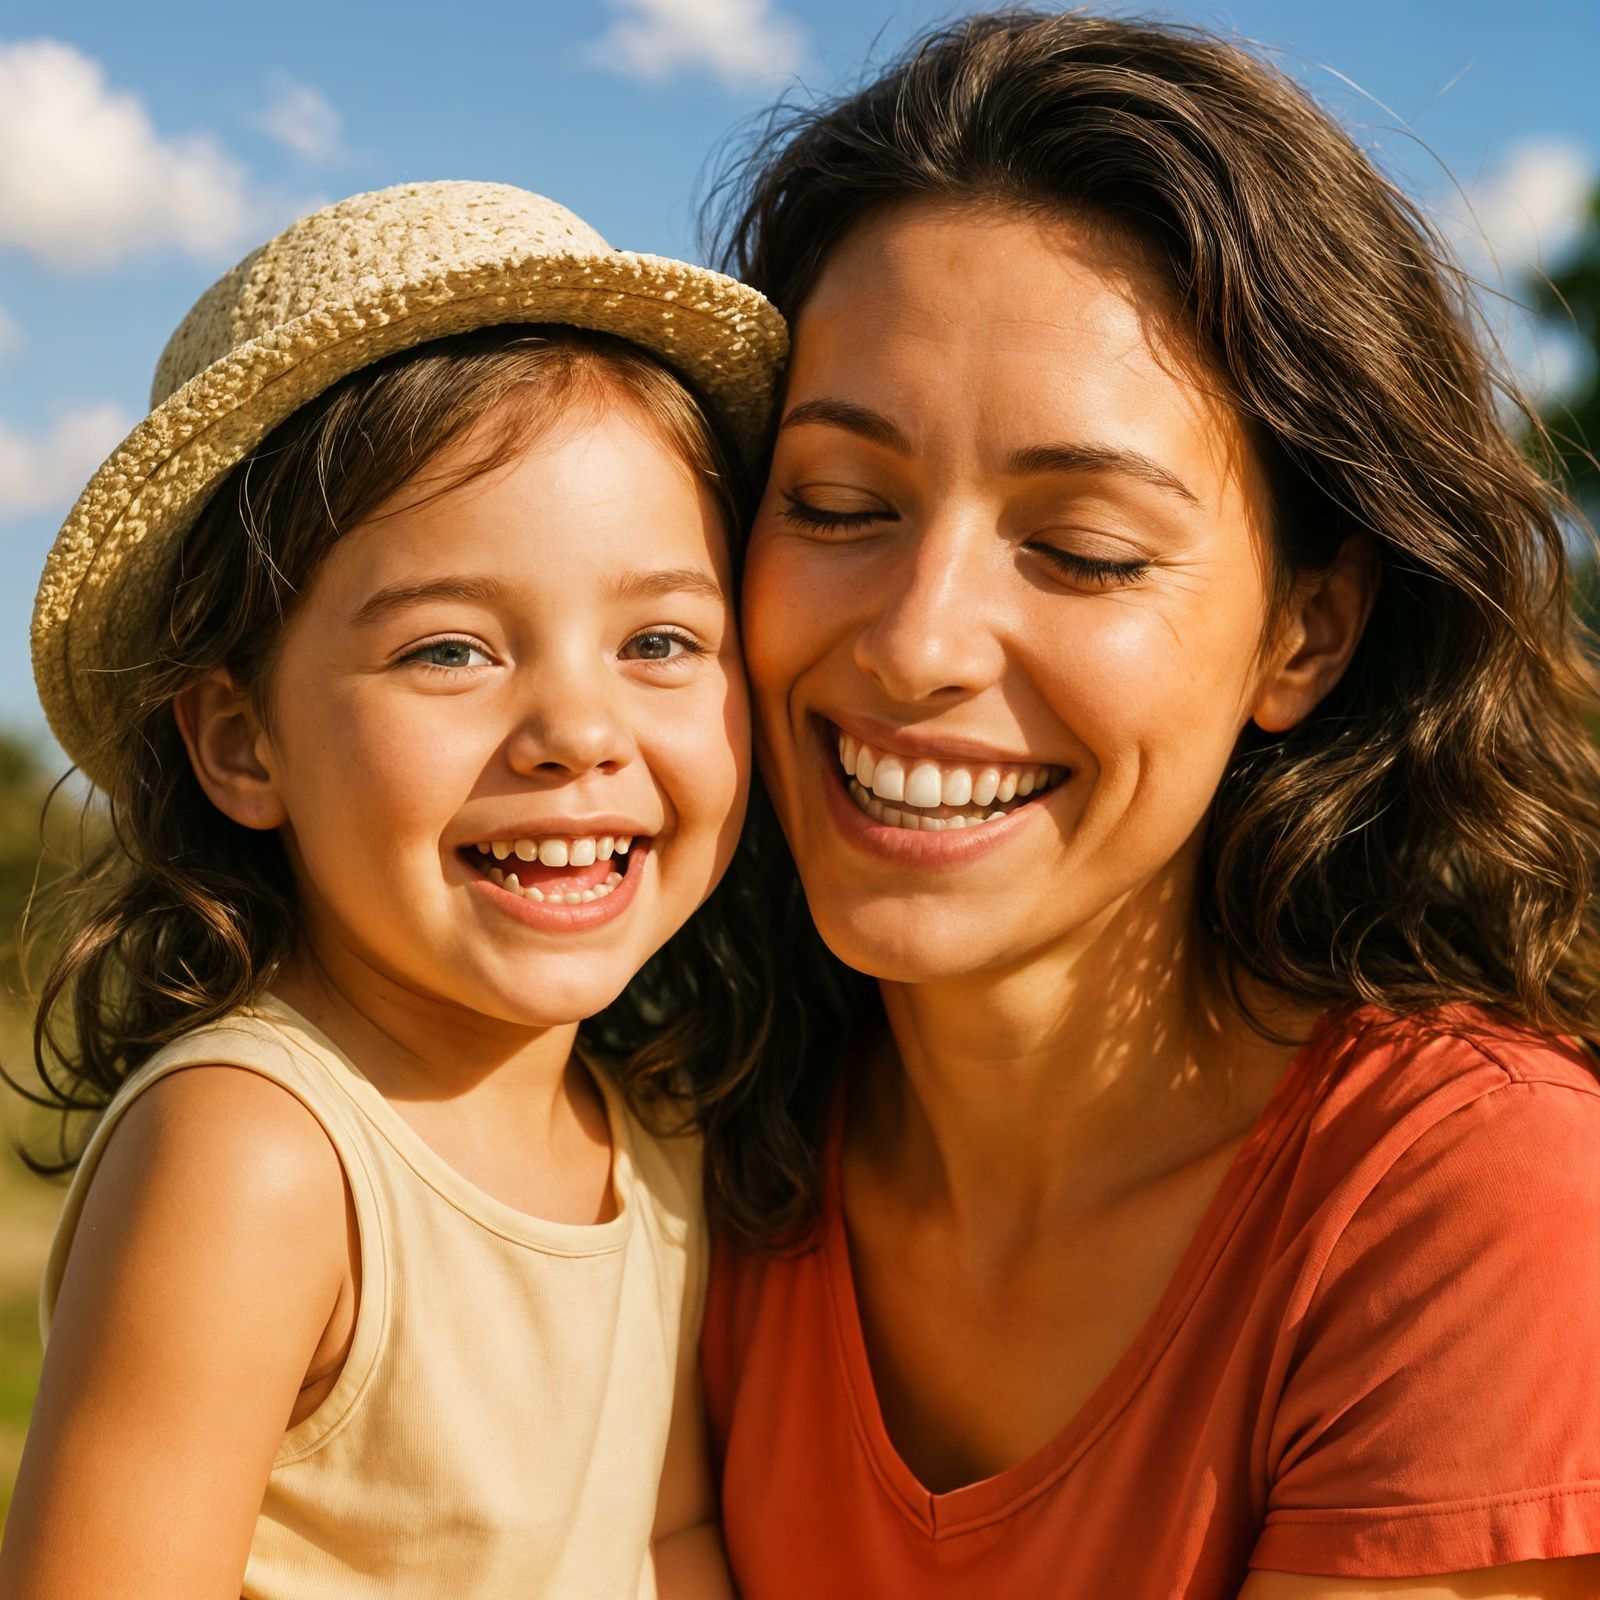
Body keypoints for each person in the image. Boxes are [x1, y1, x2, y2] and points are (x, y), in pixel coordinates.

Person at [696, 13, 1600, 1598]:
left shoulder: (1475, 1202)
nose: (916, 643)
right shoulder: (677, 1143)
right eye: (841, 505)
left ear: (1305, 633)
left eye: (1086, 548)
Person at [0, 180, 785, 1599]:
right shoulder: (259, 1158)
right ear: (245, 740)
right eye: (449, 653)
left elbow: (663, 1539)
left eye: (661, 638)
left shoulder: (656, 1134)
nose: (578, 731)